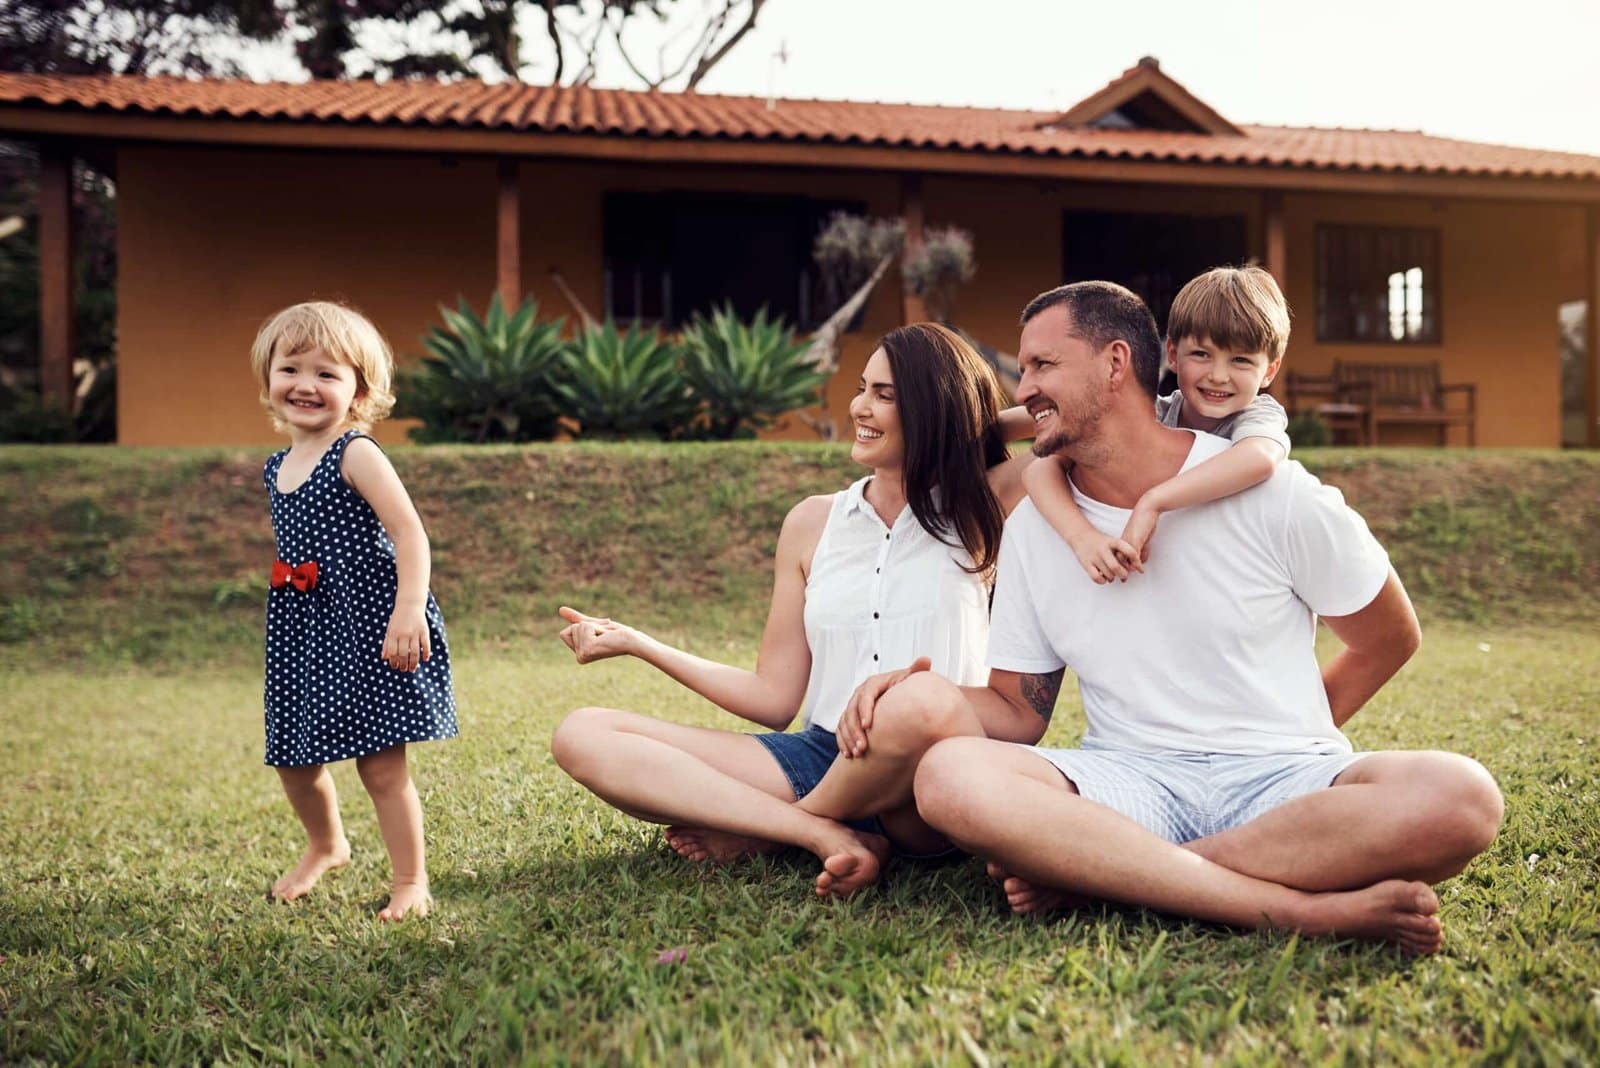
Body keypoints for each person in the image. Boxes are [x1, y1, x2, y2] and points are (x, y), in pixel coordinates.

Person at [873, 282, 1501, 952]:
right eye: (1023, 370)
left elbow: (1389, 638)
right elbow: (1018, 709)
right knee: (949, 776)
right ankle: (1299, 911)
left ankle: (1108, 875)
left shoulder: (1274, 492)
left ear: (1116, 364)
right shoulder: (1037, 526)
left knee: (1462, 796)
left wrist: (1291, 730)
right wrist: (918, 693)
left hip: (1281, 779)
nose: (1024, 388)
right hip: (1130, 779)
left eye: (1042, 366)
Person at [551, 323, 1041, 898]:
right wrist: (640, 643)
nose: (860, 405)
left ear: (935, 410)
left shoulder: (984, 503)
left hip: (925, 772)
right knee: (582, 733)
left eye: (887, 395)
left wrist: (968, 426)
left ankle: (768, 830)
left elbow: (1074, 426)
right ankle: (815, 831)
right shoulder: (812, 522)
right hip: (821, 753)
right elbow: (773, 699)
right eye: (863, 388)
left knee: (913, 705)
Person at [251, 301, 457, 921]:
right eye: (291, 368)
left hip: (370, 621)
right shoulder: (277, 466)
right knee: (292, 755)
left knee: (382, 764)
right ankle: (327, 844)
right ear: (268, 379)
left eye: (327, 373)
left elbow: (410, 534)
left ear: (359, 391)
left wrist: (409, 609)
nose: (305, 385)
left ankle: (410, 880)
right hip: (303, 627)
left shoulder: (356, 453)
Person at [1023, 266, 1291, 583]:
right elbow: (1039, 469)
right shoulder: (1163, 412)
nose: (1218, 375)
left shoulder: (1259, 415)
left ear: (1270, 371)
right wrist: (1083, 538)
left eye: (1241, 360)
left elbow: (1260, 459)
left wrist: (1154, 502)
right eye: (1202, 354)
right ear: (1174, 356)